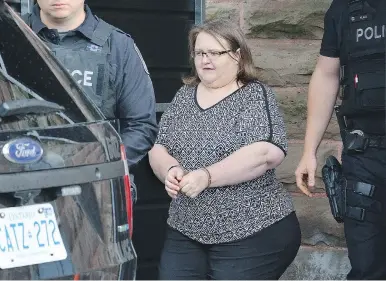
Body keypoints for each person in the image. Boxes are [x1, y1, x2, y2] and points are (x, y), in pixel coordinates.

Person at [148, 18, 301, 280]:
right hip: (187, 230)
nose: (206, 60)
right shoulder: (185, 95)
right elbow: (158, 148)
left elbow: (266, 153)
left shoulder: (254, 95)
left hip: (252, 231)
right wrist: (170, 170)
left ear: (237, 55)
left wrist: (206, 176)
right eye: (199, 53)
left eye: (215, 53)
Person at [294, 0, 386, 279]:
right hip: (365, 156)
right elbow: (326, 74)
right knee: (367, 267)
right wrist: (309, 151)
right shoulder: (345, 7)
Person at [20, 0, 158, 173]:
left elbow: (141, 126)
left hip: (96, 184)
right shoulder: (6, 35)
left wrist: (98, 161)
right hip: (21, 180)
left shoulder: (118, 46)